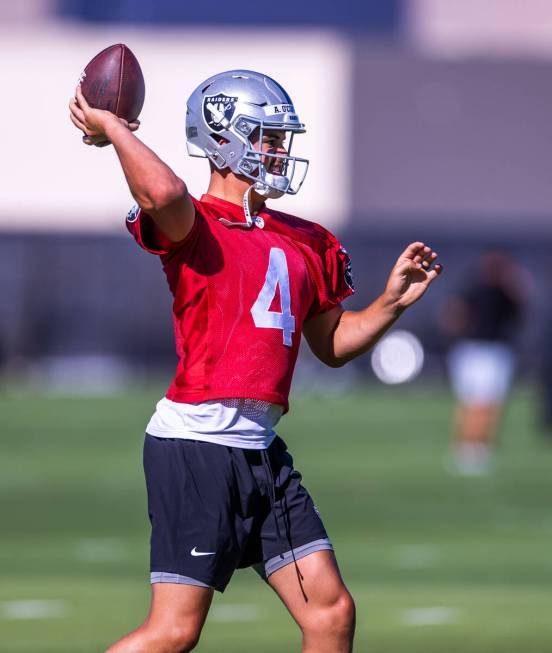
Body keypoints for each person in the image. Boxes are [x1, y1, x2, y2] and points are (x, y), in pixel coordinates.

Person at [69, 69, 442, 653]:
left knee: (330, 613)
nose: (279, 150)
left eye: (280, 138)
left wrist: (390, 303)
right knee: (172, 633)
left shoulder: (309, 238)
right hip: (198, 444)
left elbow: (332, 345)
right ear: (222, 138)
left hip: (262, 449)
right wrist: (115, 127)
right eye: (266, 137)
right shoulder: (193, 223)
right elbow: (164, 195)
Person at [440, 250, 525, 475]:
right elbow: (454, 312)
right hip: (473, 348)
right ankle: (467, 448)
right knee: (473, 401)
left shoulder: (507, 292)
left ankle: (480, 447)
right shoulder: (473, 288)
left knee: (490, 402)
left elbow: (519, 313)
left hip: (496, 349)